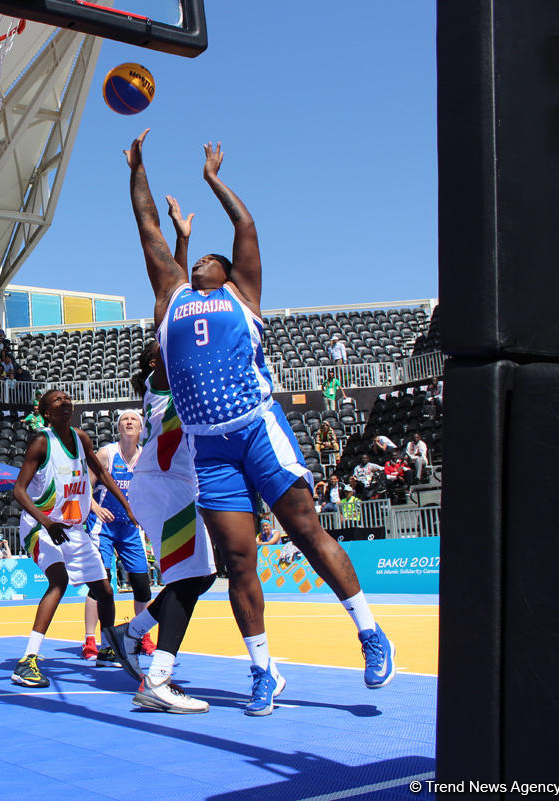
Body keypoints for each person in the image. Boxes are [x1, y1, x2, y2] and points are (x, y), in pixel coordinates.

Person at [127, 131, 393, 715]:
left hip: (256, 426)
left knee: (304, 530)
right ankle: (260, 670)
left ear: (225, 271)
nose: (198, 260)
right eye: (194, 258)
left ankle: (370, 632)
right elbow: (148, 227)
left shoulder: (244, 292)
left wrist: (214, 180)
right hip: (210, 449)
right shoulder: (171, 296)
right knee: (239, 563)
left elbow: (247, 229)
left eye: (207, 259)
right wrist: (138, 168)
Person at [103, 341, 218, 714]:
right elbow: (172, 339)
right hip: (165, 485)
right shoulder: (161, 378)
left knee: (203, 577)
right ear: (155, 362)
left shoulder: (173, 384)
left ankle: (131, 632)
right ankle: (158, 679)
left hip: (173, 485)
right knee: (188, 579)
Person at [10, 389, 135, 689]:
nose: (65, 402)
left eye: (67, 398)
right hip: (40, 525)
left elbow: (103, 475)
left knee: (104, 590)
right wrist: (46, 521)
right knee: (59, 581)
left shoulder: (82, 439)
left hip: (71, 529)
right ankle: (27, 660)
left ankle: (107, 647)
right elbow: (19, 491)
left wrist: (128, 506)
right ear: (47, 413)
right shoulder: (42, 442)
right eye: (57, 401)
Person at [82, 407, 156, 661]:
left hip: (129, 528)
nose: (128, 422)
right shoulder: (106, 454)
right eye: (124, 419)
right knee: (101, 585)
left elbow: (150, 492)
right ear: (118, 426)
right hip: (103, 527)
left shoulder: (146, 457)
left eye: (133, 418)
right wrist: (95, 507)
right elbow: (84, 487)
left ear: (141, 427)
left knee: (142, 585)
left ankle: (141, 636)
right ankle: (92, 639)